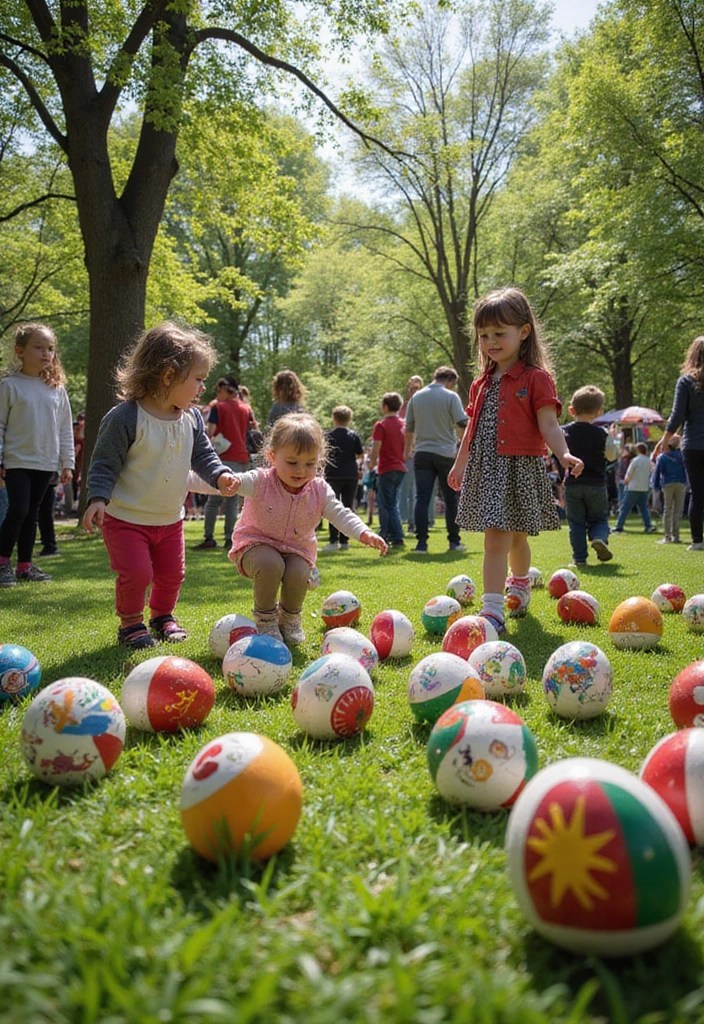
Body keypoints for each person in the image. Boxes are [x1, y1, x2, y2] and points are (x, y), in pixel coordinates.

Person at [82, 322, 238, 650]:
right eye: (197, 378)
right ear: (168, 375)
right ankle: (131, 624)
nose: (202, 387)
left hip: (170, 520)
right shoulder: (125, 417)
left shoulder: (192, 419)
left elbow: (205, 458)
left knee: (172, 575)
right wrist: (97, 498)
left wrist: (221, 476)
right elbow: (104, 463)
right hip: (126, 519)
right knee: (137, 573)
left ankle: (163, 616)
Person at [448, 287, 583, 636]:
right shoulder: (480, 384)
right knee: (495, 539)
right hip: (488, 468)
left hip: (520, 468)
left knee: (518, 539)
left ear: (523, 332)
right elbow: (472, 430)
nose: (490, 341)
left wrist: (563, 453)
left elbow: (549, 423)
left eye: (499, 333)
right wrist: (460, 463)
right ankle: (492, 610)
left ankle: (520, 582)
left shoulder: (536, 378)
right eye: (484, 335)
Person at [226, 413, 388, 645]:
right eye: (292, 462)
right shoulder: (260, 481)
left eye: (310, 464)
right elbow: (236, 480)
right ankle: (266, 620)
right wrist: (228, 481)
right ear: (272, 456)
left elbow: (340, 513)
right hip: (254, 545)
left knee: (299, 572)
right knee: (270, 564)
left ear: (319, 461)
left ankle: (290, 619)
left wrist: (364, 532)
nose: (300, 470)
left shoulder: (319, 490)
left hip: (296, 549)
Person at [0, 323, 74, 587]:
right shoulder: (9, 386)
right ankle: (2, 563)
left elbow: (65, 428)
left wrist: (68, 463)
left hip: (46, 463)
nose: (46, 354)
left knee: (32, 514)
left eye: (50, 349)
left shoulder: (57, 389)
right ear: (20, 351)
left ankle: (24, 566)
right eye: (39, 347)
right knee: (17, 509)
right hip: (17, 460)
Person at [404, 366, 468, 554]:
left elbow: (409, 427)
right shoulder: (450, 397)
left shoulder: (416, 397)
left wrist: (408, 450)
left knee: (422, 498)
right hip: (445, 453)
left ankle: (421, 543)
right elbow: (462, 422)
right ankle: (454, 542)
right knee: (450, 498)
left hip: (422, 452)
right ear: (449, 380)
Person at [193, 376, 256, 550]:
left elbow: (211, 432)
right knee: (232, 501)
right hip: (243, 458)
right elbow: (253, 430)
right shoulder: (246, 408)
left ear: (225, 389)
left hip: (224, 457)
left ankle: (209, 538)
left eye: (218, 391)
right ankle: (230, 538)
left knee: (213, 501)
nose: (216, 394)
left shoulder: (218, 408)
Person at [654, 336, 704, 551]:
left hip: (694, 444)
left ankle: (698, 541)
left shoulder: (686, 382)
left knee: (698, 493)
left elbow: (677, 417)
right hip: (693, 442)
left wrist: (664, 441)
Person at [562, 385, 620, 566]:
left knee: (576, 523)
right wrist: (614, 438)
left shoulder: (564, 432)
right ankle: (599, 537)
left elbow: (551, 452)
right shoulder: (602, 433)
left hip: (573, 483)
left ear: (571, 410)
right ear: (599, 412)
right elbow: (611, 456)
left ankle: (579, 559)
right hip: (596, 483)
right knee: (599, 519)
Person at [369, 392, 407, 548]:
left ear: (385, 407)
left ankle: (393, 535)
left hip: (386, 468)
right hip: (400, 468)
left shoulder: (381, 425)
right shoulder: (403, 424)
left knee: (386, 504)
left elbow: (376, 447)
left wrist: (372, 463)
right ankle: (391, 533)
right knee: (393, 502)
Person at [323, 405, 363, 552]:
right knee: (347, 507)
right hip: (350, 474)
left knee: (333, 507)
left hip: (333, 474)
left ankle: (333, 540)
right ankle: (344, 540)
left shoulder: (329, 436)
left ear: (334, 418)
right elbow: (359, 454)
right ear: (349, 419)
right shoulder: (353, 436)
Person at [613, 442, 657, 535]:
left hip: (632, 487)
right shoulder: (649, 461)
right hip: (644, 487)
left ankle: (619, 526)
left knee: (625, 508)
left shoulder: (635, 461)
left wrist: (626, 481)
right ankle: (648, 526)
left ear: (638, 450)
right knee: (644, 508)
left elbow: (629, 473)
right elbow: (653, 471)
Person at [399, 375, 423, 532]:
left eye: (417, 388)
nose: (414, 391)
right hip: (406, 453)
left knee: (417, 490)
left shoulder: (424, 404)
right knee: (404, 489)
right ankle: (402, 519)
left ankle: (413, 522)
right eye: (412, 388)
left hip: (420, 451)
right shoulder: (403, 407)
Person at [652, 434, 687, 544]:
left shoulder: (663, 457)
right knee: (678, 510)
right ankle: (676, 535)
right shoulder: (682, 456)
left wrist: (656, 486)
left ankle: (667, 536)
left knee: (668, 509)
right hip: (681, 482)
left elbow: (658, 472)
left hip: (667, 483)